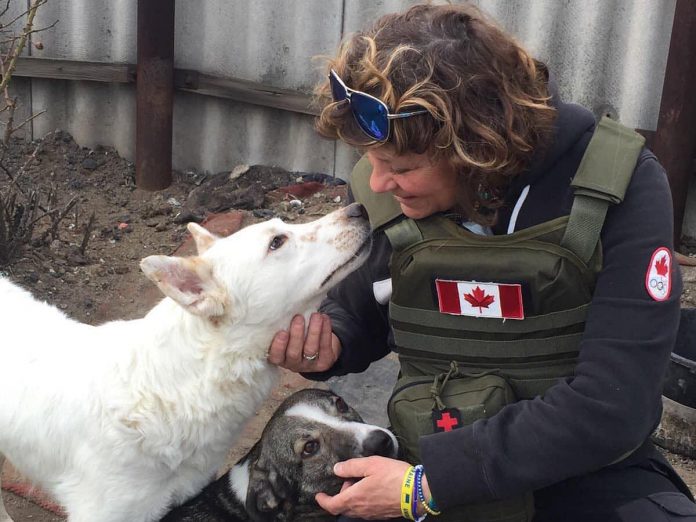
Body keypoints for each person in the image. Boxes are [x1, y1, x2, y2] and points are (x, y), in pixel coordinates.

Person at [266, 3, 696, 521]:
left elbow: (613, 406)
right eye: (372, 163)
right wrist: (329, 341)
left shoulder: (618, 186)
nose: (377, 184)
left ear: (476, 148)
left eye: (400, 167)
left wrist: (428, 487)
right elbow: (359, 312)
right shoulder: (395, 196)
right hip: (426, 448)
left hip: (583, 472)